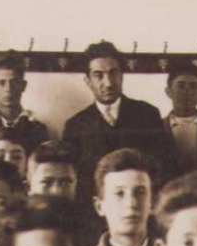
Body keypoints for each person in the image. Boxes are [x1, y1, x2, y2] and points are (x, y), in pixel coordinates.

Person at [63, 41, 178, 203]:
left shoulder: (147, 114)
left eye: (113, 73)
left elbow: (164, 168)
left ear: (122, 75)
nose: (108, 82)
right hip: (96, 211)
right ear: (88, 81)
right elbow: (75, 181)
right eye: (98, 75)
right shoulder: (76, 125)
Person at [87, 147, 166, 246]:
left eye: (140, 193)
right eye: (119, 194)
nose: (131, 203)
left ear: (152, 203)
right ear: (100, 206)